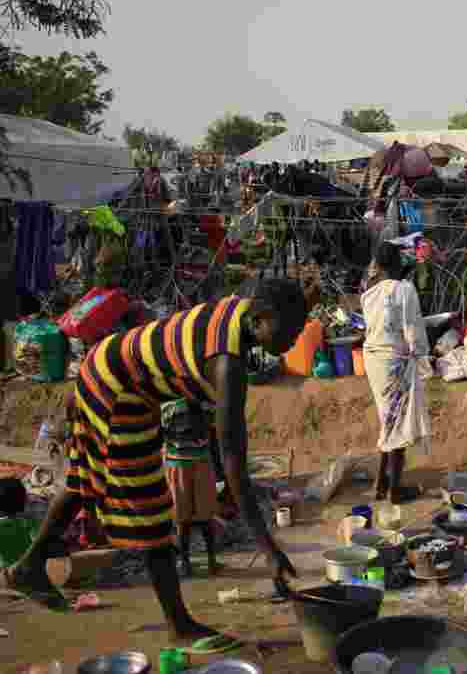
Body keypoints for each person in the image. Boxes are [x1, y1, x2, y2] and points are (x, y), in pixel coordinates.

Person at [2, 279, 308, 640]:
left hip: (115, 371)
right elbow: (233, 461)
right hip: (116, 387)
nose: (293, 341)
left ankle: (30, 566)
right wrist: (268, 548)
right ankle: (179, 624)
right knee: (151, 507)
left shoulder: (244, 308)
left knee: (87, 477)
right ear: (260, 319)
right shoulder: (227, 365)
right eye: (289, 331)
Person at [363, 242, 431, 505]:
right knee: (398, 425)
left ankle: (381, 483)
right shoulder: (405, 289)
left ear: (377, 267)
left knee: (388, 420)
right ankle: (394, 491)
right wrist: (422, 356)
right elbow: (413, 329)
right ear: (397, 265)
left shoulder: (369, 293)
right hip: (394, 362)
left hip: (374, 362)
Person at [161, 399, 220, 578]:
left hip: (177, 463)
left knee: (182, 517)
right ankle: (210, 561)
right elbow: (213, 429)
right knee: (205, 515)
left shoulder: (168, 404)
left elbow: (161, 432)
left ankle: (185, 563)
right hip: (199, 462)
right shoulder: (205, 401)